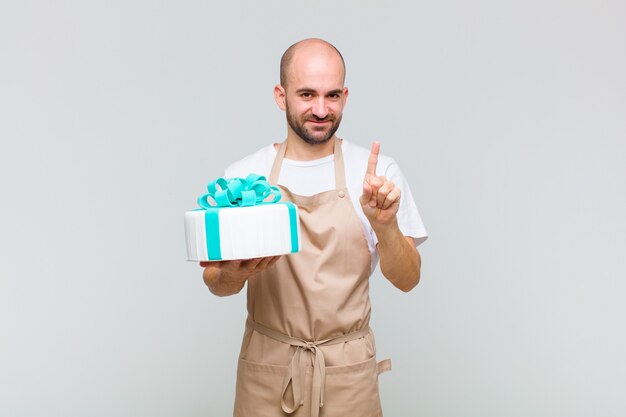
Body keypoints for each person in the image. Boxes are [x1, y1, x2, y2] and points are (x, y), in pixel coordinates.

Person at [200, 38, 427, 417]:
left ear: (345, 95)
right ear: (280, 95)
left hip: (346, 374)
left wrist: (384, 227)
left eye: (332, 95)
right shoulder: (243, 178)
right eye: (307, 94)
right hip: (269, 370)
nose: (321, 109)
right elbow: (215, 283)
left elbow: (408, 279)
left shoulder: (376, 174)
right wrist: (233, 274)